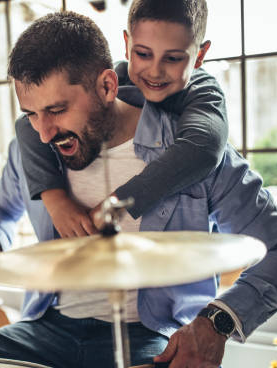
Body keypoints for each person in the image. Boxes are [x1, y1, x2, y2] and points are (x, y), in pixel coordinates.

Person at [0, 11, 277, 368]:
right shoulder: (35, 150)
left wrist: (215, 322)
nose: (43, 131)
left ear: (106, 84)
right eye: (31, 113)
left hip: (152, 340)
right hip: (46, 331)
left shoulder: (191, 154)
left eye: (57, 110)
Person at [16, 0, 226, 239]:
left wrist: (119, 202)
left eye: (174, 58)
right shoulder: (116, 78)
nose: (155, 71)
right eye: (143, 53)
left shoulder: (202, 91)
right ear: (127, 46)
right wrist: (55, 199)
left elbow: (203, 147)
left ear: (199, 56)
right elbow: (24, 126)